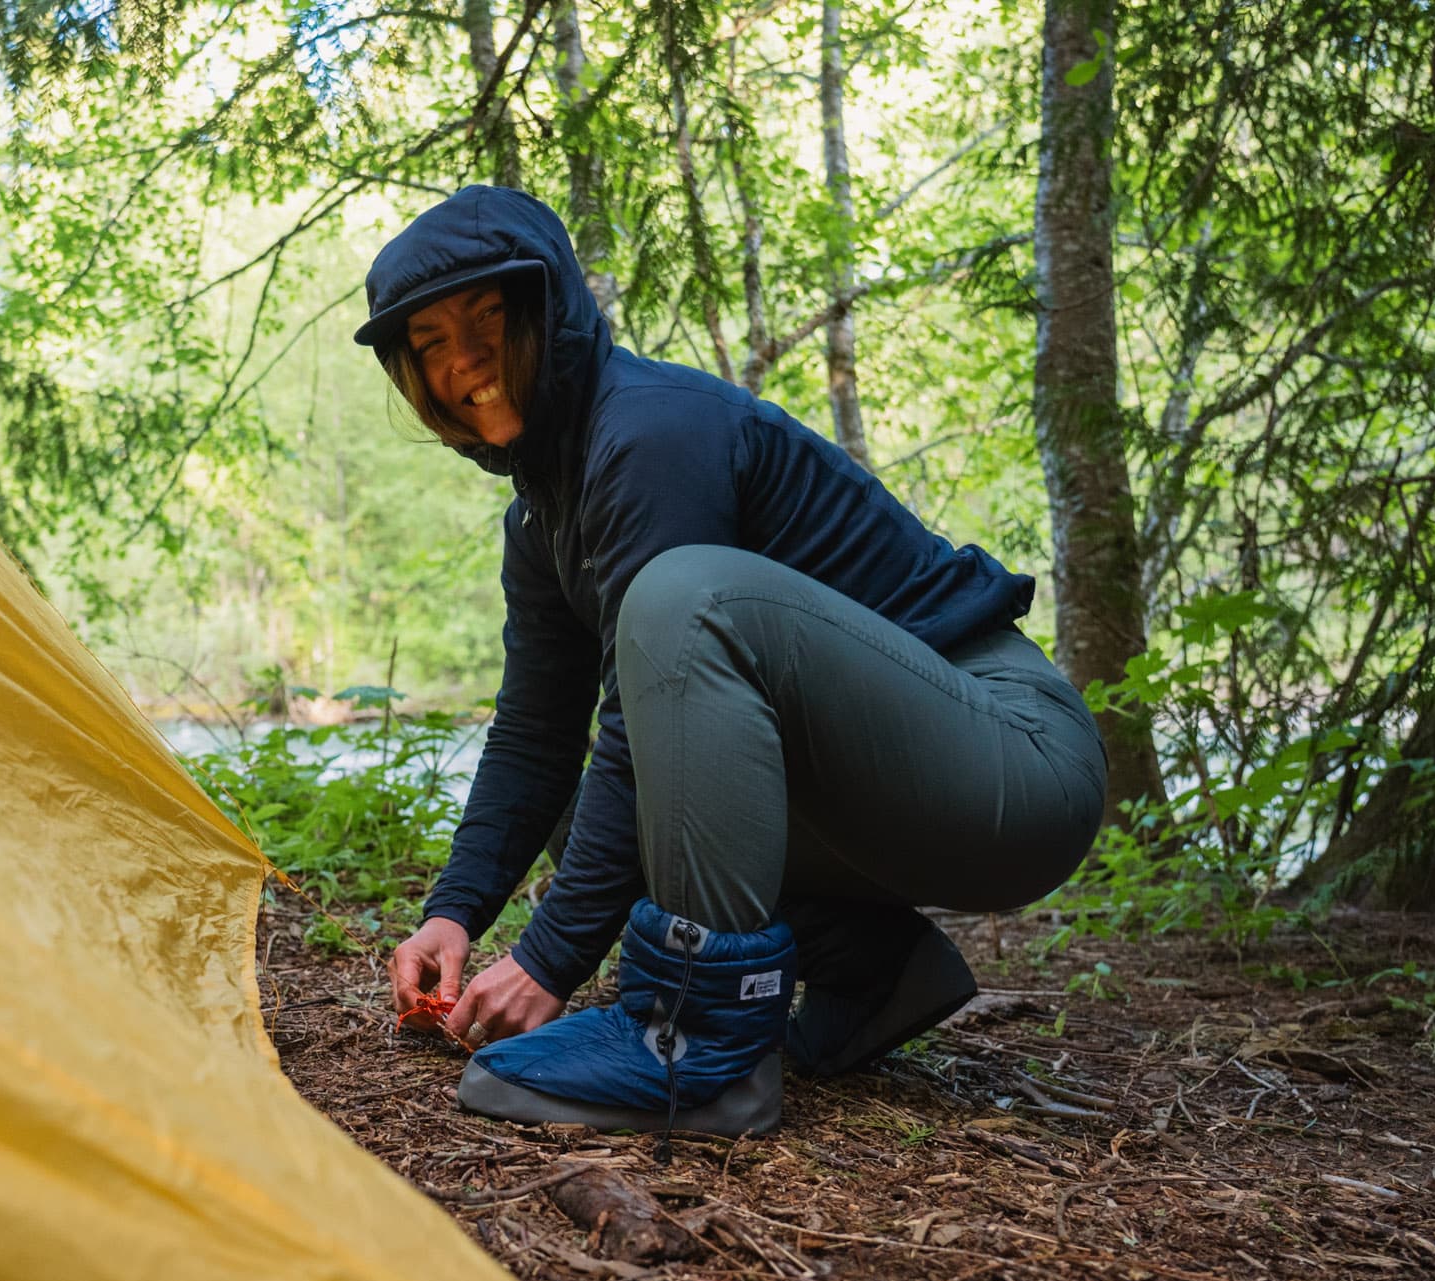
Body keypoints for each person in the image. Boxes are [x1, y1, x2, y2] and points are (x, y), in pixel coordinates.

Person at [353, 185, 1105, 1140]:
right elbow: (537, 735)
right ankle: (872, 970)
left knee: (682, 598)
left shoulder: (651, 432)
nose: (465, 361)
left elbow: (640, 704)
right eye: (429, 342)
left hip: (1014, 760)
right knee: (591, 808)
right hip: (897, 795)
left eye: (491, 318)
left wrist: (547, 962)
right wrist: (453, 915)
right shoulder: (541, 517)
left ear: (550, 312)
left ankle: (698, 1046)